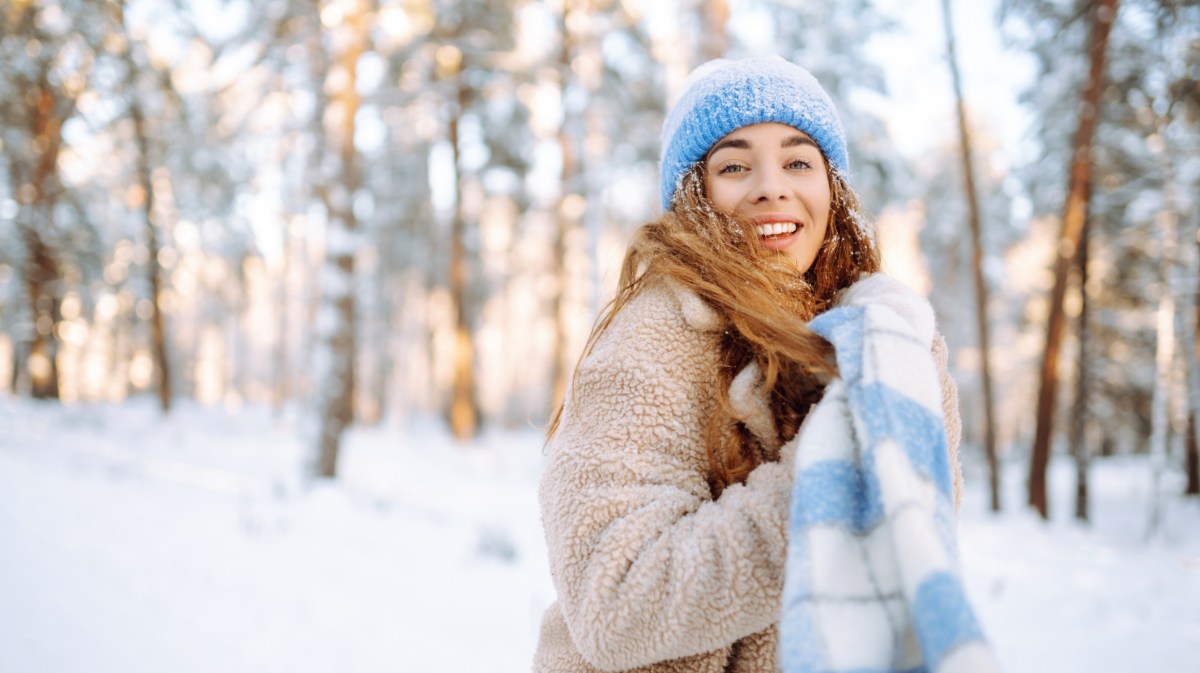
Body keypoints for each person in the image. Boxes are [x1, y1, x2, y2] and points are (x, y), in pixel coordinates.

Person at [533, 55, 963, 673]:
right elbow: (617, 603)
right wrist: (831, 479)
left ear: (830, 190)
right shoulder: (655, 336)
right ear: (695, 196)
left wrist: (906, 366)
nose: (771, 185)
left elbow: (921, 543)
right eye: (734, 166)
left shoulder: (881, 345)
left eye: (798, 161)